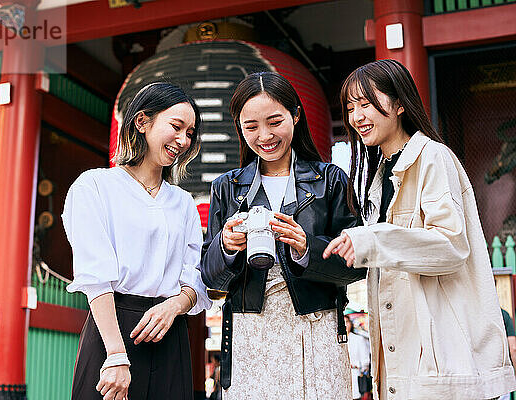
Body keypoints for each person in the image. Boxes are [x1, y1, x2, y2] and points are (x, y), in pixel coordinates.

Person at [323, 59, 516, 399]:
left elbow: (450, 247)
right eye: (350, 107)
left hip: (439, 355)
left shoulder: (433, 157)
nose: (356, 117)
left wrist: (371, 239)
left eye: (366, 103)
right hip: (405, 352)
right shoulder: (380, 177)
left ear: (399, 104)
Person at [201, 71, 366, 399]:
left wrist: (308, 248)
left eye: (274, 121)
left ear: (296, 115)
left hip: (317, 327)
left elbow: (358, 264)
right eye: (251, 126)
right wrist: (227, 247)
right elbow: (210, 276)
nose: (265, 135)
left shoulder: (329, 180)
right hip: (251, 334)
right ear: (240, 127)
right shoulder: (227, 187)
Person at [63, 82, 212, 400]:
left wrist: (174, 306)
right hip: (113, 330)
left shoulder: (183, 202)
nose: (183, 140)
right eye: (176, 126)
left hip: (170, 334)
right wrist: (116, 355)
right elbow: (96, 275)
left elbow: (196, 279)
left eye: (190, 133)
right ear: (142, 122)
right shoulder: (95, 185)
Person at [345, 315, 371, 400]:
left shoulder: (358, 339)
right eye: (343, 322)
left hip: (355, 373)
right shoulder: (336, 341)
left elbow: (365, 358)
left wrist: (363, 371)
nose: (345, 325)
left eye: (347, 322)